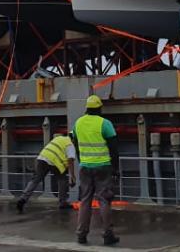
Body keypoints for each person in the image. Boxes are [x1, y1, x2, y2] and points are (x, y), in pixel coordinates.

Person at [72, 95, 120, 246]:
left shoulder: (78, 123)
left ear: (86, 108)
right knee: (104, 200)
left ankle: (81, 234)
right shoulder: (105, 123)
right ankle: (108, 234)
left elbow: (75, 144)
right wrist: (115, 168)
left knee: (85, 200)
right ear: (99, 108)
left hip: (85, 166)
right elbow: (114, 148)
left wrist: (82, 161)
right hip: (103, 166)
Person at [16, 134, 77, 212]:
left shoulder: (59, 138)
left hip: (41, 158)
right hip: (54, 162)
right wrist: (73, 176)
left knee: (35, 180)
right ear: (74, 140)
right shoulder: (70, 144)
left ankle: (23, 199)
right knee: (63, 180)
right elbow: (70, 160)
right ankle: (63, 203)